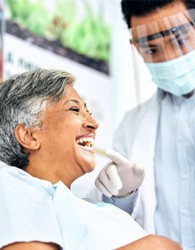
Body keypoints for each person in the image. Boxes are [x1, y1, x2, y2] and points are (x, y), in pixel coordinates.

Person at [95, 1, 195, 249]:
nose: (168, 56)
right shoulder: (131, 126)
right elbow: (118, 234)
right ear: (137, 49)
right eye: (152, 49)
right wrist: (122, 198)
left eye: (178, 40)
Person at [0, 69, 182, 250]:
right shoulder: (9, 183)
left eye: (89, 112)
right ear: (28, 135)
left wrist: (123, 197)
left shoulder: (92, 208)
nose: (94, 124)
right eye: (74, 109)